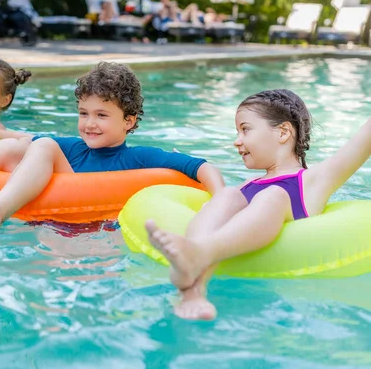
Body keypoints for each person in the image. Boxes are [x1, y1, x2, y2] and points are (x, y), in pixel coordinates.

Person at [0, 62, 225, 230]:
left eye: (102, 115)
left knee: (44, 145)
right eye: (83, 113)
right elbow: (19, 141)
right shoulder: (74, 148)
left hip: (91, 228)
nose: (89, 124)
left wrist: (221, 199)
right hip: (47, 222)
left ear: (129, 121)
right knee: (22, 146)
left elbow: (199, 165)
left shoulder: (140, 157)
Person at [145, 89, 371, 321]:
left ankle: (200, 253)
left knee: (273, 194)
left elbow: (365, 137)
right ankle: (193, 292)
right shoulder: (244, 187)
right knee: (227, 195)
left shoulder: (313, 181)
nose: (237, 141)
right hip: (232, 277)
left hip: (281, 288)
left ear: (283, 132)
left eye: (245, 129)